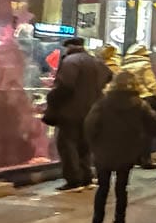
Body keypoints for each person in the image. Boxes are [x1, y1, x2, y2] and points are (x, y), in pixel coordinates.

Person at [84, 71, 156, 223]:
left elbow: (90, 125)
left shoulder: (103, 103)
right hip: (127, 151)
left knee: (102, 188)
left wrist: (94, 144)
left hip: (103, 151)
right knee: (121, 189)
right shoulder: (139, 104)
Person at [47, 37, 112, 191]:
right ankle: (86, 176)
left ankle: (73, 179)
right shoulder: (95, 61)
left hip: (71, 111)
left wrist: (52, 98)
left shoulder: (70, 62)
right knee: (84, 145)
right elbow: (110, 75)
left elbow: (66, 85)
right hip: (93, 110)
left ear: (69, 47)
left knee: (67, 144)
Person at [121, 44, 156, 169]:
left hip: (130, 99)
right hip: (146, 99)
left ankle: (134, 158)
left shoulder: (124, 66)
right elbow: (151, 83)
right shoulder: (144, 65)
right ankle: (145, 159)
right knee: (147, 131)